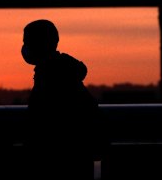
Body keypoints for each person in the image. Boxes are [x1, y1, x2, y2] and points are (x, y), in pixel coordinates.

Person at [21, 19, 107, 180]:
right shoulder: (66, 74)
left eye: (27, 41)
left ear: (38, 44)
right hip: (77, 162)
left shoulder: (50, 78)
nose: (24, 47)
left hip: (58, 164)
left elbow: (43, 124)